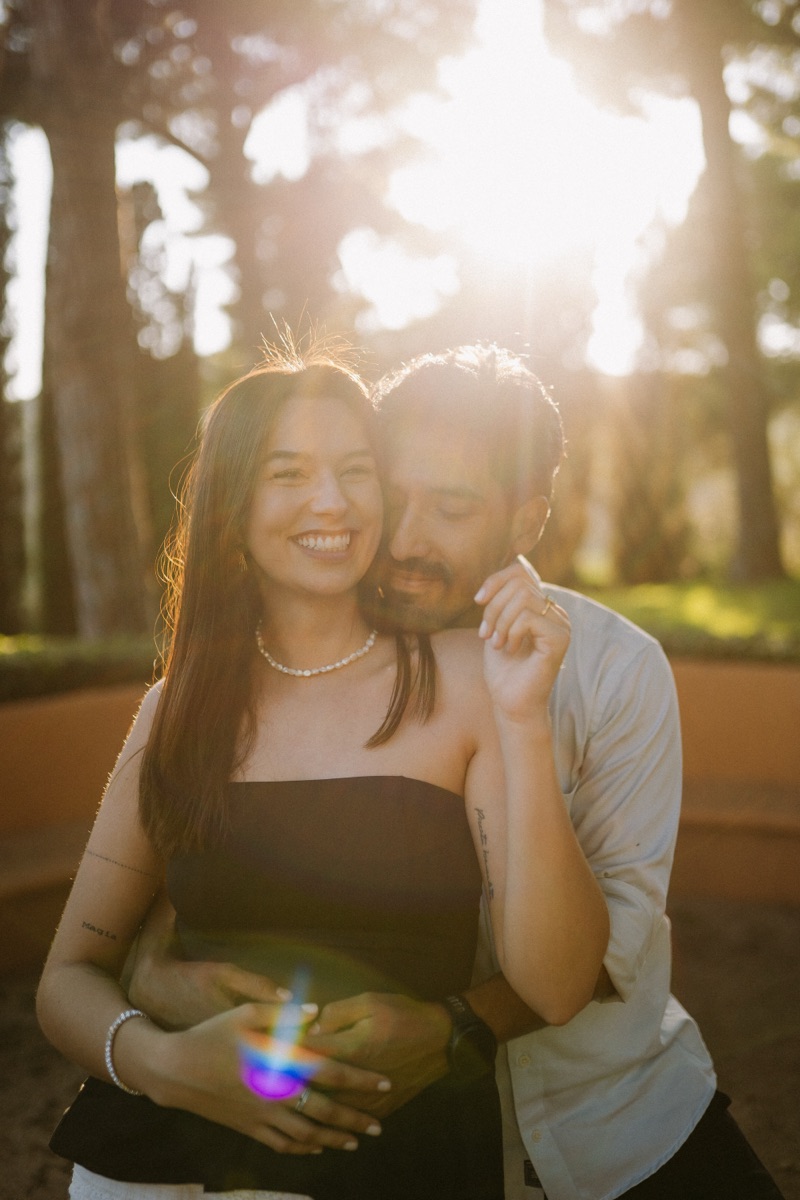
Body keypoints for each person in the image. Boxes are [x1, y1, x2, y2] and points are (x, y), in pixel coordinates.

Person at [125, 343, 785, 1200]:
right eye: (390, 493)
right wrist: (150, 968)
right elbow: (199, 858)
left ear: (524, 523)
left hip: (608, 1118)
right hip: (384, 1142)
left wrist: (452, 1028)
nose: (403, 539)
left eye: (451, 507)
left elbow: (612, 938)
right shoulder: (299, 654)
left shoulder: (617, 669)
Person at [37, 335, 609, 1200]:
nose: (333, 502)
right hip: (151, 1167)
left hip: (390, 1160)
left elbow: (560, 985)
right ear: (231, 510)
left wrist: (525, 719)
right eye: (289, 473)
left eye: (355, 469)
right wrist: (163, 1063)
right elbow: (67, 977)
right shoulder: (176, 709)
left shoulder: (468, 681)